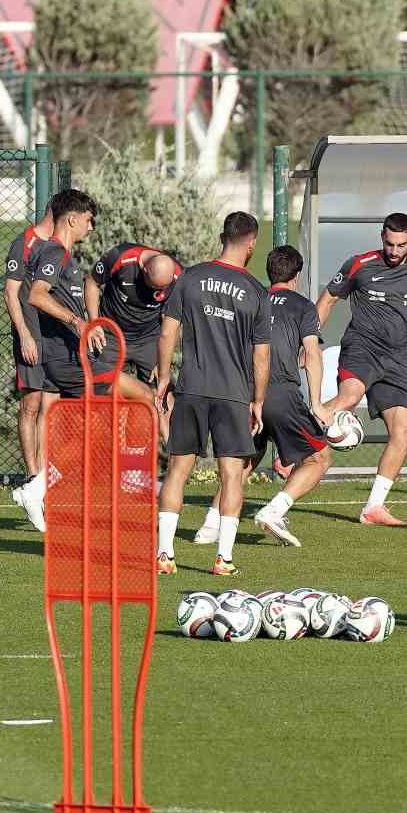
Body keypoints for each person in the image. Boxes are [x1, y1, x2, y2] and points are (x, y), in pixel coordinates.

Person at [22, 189, 152, 530]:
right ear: (72, 219)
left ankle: (40, 488)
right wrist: (78, 322)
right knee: (140, 398)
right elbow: (36, 295)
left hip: (67, 356)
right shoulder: (53, 253)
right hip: (67, 360)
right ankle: (128, 483)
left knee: (89, 429)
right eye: (89, 221)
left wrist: (87, 323)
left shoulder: (65, 258)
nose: (91, 228)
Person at [316, 212, 407, 527]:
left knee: (404, 430)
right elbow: (327, 301)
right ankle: (292, 444)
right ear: (382, 237)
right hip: (361, 350)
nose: (394, 251)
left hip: (396, 362)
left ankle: (373, 508)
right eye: (390, 243)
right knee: (349, 397)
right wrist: (310, 340)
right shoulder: (360, 265)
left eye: (401, 245)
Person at [154, 212, 271, 577]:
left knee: (177, 471)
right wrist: (259, 400)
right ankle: (223, 559)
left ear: (223, 237)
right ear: (251, 243)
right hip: (233, 394)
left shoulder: (189, 277)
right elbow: (261, 355)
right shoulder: (254, 290)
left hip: (191, 387)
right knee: (231, 476)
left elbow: (167, 332)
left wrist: (163, 378)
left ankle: (164, 554)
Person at [243, 245, 336, 548]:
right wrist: (318, 403)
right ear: (296, 276)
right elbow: (311, 352)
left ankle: (210, 526)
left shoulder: (252, 301)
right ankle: (275, 510)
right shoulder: (302, 306)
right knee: (319, 457)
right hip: (280, 394)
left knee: (242, 465)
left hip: (245, 394)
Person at [4, 202, 53, 512]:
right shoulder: (24, 242)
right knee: (31, 404)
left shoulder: (61, 247)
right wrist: (24, 334)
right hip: (32, 337)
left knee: (52, 407)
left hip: (57, 341)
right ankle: (33, 477)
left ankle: (42, 486)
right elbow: (11, 293)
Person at [87, 241, 181, 393]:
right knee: (106, 391)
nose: (158, 295)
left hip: (149, 339)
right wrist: (94, 323)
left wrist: (164, 364)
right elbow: (92, 282)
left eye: (164, 289)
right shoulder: (122, 257)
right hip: (111, 335)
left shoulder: (178, 277)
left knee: (162, 392)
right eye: (155, 288)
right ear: (143, 270)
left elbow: (175, 323)